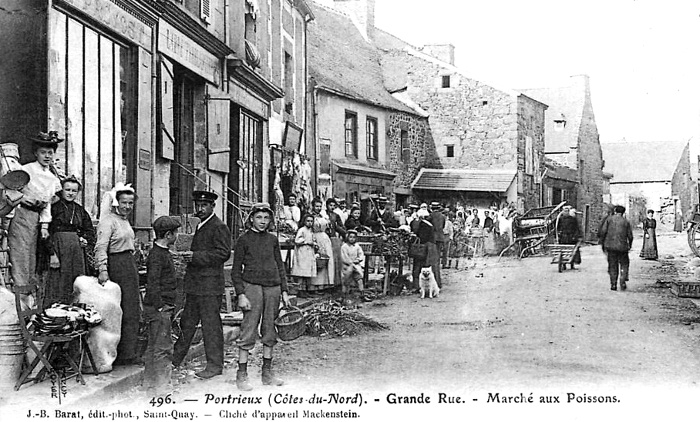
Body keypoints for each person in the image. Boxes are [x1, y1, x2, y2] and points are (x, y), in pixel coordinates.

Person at [231, 202, 290, 391]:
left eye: (266, 218)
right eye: (259, 217)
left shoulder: (272, 240)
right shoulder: (243, 240)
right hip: (252, 287)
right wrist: (241, 294)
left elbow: (280, 265)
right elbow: (235, 270)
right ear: (251, 219)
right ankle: (242, 375)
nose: (262, 222)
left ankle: (267, 373)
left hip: (272, 288)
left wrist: (285, 290)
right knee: (248, 329)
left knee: (269, 329)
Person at [172, 190, 232, 379]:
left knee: (211, 327)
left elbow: (223, 254)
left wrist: (195, 256)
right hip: (195, 286)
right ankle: (174, 360)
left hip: (209, 287)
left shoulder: (218, 226)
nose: (200, 209)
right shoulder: (201, 226)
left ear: (212, 206)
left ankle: (215, 366)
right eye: (197, 205)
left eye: (204, 205)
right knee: (187, 323)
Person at [8, 131, 63, 287]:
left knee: (35, 258)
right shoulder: (26, 170)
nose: (47, 156)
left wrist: (45, 225)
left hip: (37, 220)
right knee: (21, 255)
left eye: (50, 153)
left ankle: (32, 298)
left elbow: (48, 204)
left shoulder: (53, 177)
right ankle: (21, 294)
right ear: (36, 153)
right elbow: (11, 190)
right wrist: (26, 199)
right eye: (43, 152)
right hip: (22, 215)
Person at [94, 183, 139, 365]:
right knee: (118, 311)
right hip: (116, 266)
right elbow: (101, 247)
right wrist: (102, 269)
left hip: (129, 264)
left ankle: (129, 352)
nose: (127, 206)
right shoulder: (108, 221)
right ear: (116, 203)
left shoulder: (125, 221)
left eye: (130, 203)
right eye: (123, 203)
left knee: (132, 310)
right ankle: (117, 355)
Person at [143, 216, 181, 394]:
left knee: (153, 346)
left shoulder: (160, 252)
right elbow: (152, 284)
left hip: (158, 307)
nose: (177, 236)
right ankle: (162, 387)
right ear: (168, 235)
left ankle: (150, 383)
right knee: (163, 348)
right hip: (160, 308)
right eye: (175, 233)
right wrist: (160, 307)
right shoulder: (158, 256)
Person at [45, 176, 96, 306]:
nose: (70, 193)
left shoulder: (79, 210)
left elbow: (89, 230)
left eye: (74, 190)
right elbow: (45, 232)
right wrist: (52, 254)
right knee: (58, 282)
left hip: (76, 252)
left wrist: (85, 239)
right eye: (67, 189)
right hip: (58, 249)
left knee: (77, 282)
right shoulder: (53, 208)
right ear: (61, 190)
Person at [599, 205, 634, 291]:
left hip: (610, 247)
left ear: (615, 211)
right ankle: (623, 279)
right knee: (624, 264)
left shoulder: (609, 220)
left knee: (612, 265)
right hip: (623, 247)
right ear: (623, 212)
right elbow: (630, 236)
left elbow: (603, 232)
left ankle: (613, 284)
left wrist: (602, 243)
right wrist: (630, 245)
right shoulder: (626, 221)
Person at [308, 197, 335, 292]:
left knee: (325, 260)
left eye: (320, 206)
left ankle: (324, 285)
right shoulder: (310, 217)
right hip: (315, 238)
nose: (318, 208)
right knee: (316, 260)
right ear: (313, 206)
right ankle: (314, 286)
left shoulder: (323, 216)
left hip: (325, 239)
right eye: (316, 206)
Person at [411, 208, 441, 290]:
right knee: (432, 266)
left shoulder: (423, 225)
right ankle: (436, 284)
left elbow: (422, 237)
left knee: (420, 266)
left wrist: (414, 235)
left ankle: (418, 286)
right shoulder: (430, 224)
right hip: (431, 247)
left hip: (426, 247)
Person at [290, 213, 317, 297]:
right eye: (308, 221)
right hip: (302, 252)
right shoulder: (302, 230)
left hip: (309, 252)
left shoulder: (311, 231)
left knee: (307, 271)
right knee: (302, 271)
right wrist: (306, 242)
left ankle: (306, 289)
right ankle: (300, 290)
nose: (310, 223)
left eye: (311, 221)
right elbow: (297, 240)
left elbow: (312, 239)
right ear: (304, 221)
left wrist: (314, 243)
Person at [340, 229, 367, 301]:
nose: (352, 239)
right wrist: (350, 263)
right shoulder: (344, 247)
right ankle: (343, 297)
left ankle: (362, 295)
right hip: (347, 266)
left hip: (356, 266)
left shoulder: (357, 246)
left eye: (354, 237)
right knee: (345, 282)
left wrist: (358, 260)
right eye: (350, 237)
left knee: (359, 280)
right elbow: (344, 257)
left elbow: (361, 254)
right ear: (347, 237)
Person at [430, 202, 446, 268]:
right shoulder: (442, 216)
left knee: (432, 253)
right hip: (440, 236)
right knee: (438, 252)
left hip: (432, 237)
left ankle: (432, 266)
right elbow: (443, 226)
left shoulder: (430, 216)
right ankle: (437, 266)